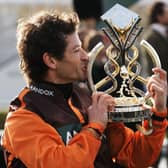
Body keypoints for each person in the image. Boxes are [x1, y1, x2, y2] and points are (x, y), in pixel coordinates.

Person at [1, 10, 167, 168]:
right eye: (76, 50)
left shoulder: (89, 99)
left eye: (82, 47)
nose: (86, 56)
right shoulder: (23, 116)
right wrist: (94, 128)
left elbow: (135, 158)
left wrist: (157, 113)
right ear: (51, 61)